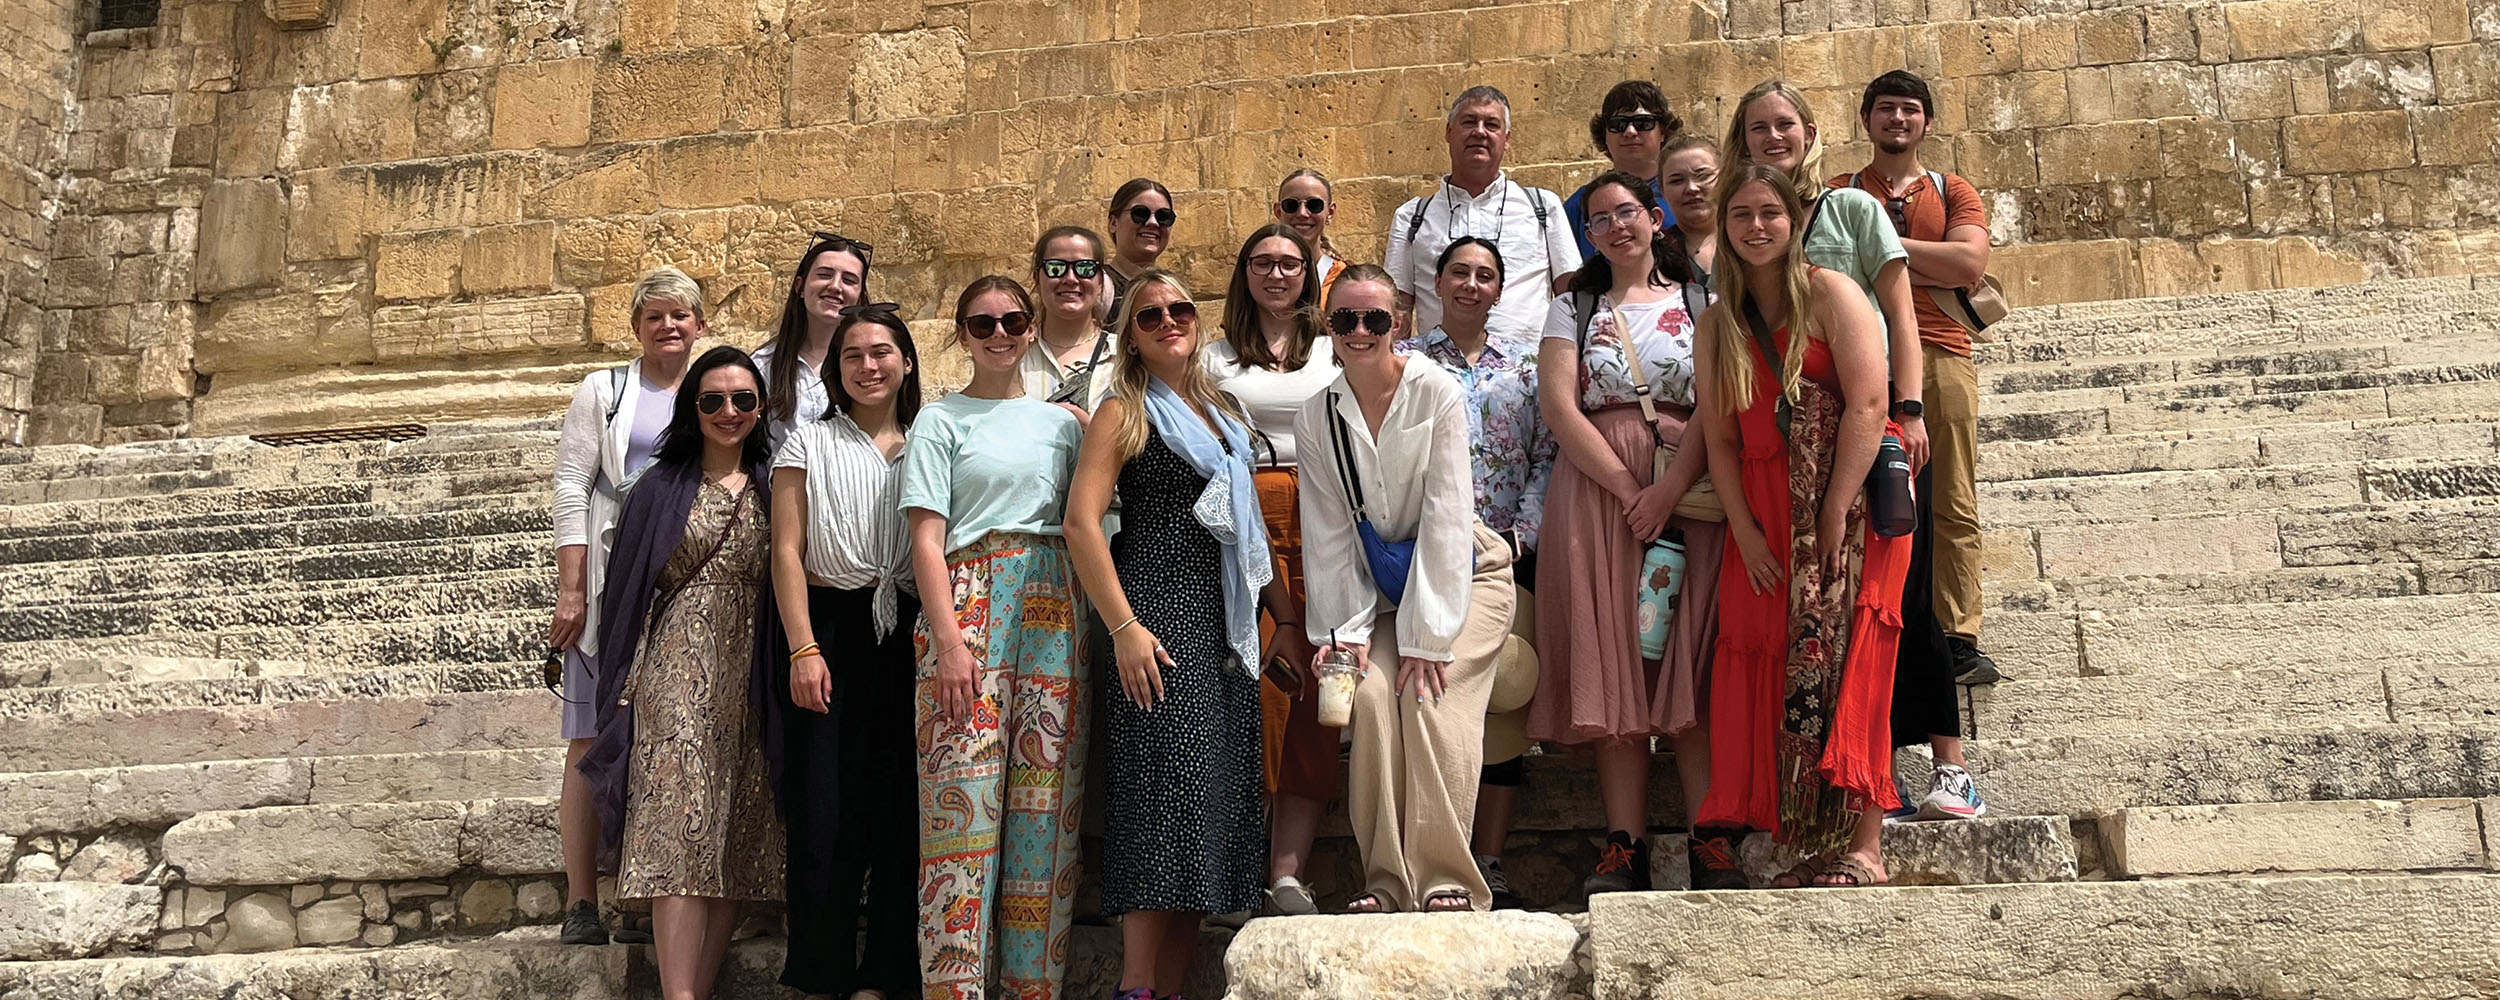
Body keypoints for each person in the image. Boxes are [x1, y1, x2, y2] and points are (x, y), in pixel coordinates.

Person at [1691, 164, 1912, 889]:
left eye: (1771, 213)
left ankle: (1865, 848)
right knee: (1776, 667)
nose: (1757, 227)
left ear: (1794, 221)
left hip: (1846, 503)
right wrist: (1748, 533)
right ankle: (1811, 840)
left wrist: (1832, 510)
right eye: (1741, 215)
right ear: (1723, 226)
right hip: (1762, 511)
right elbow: (1720, 440)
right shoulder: (1716, 325)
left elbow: (1869, 404)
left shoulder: (1831, 292)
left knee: (1852, 663)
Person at [1064, 271, 1271, 1000]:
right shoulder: (1123, 411)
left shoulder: (1222, 411)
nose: (1168, 321)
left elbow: (1245, 526)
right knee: (1161, 806)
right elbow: (1081, 523)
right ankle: (1136, 986)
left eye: (1179, 308)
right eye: (1148, 315)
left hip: (1221, 627)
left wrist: (1277, 620)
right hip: (1158, 617)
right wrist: (1124, 628)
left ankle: (1171, 990)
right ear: (1130, 335)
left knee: (1202, 815)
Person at [1530, 171, 1729, 895]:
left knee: (1690, 657)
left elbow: (1718, 401)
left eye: (1627, 213)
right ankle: (1625, 845)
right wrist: (1629, 491)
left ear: (1655, 218)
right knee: (1614, 654)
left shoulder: (1702, 301)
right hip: (1597, 493)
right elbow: (1559, 407)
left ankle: (1710, 837)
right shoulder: (1572, 307)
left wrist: (1667, 491)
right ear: (1587, 235)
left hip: (1691, 484)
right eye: (1600, 219)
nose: (1616, 227)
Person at [1296, 264, 1517, 914]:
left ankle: (1448, 875)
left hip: (1466, 578)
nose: (1361, 331)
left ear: (1398, 322)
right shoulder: (1317, 416)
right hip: (1382, 591)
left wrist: (1426, 636)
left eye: (1375, 318)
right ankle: (1387, 882)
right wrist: (1344, 636)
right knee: (1366, 696)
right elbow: (1329, 532)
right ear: (1329, 326)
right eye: (1346, 318)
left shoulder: (1435, 391)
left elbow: (1448, 515)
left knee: (1427, 695)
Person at [578, 345, 788, 1000]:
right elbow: (626, 593)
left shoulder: (774, 486)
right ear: (692, 409)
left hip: (750, 678)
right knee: (675, 823)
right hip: (673, 672)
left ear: (761, 408)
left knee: (733, 832)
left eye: (743, 399)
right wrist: (622, 684)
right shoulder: (658, 489)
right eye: (713, 400)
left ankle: (695, 987)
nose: (729, 411)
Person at [902, 276, 1089, 1000]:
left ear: (1031, 327)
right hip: (969, 603)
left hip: (1054, 606)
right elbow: (926, 539)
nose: (1000, 333)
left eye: (1013, 320)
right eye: (983, 324)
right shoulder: (940, 420)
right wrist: (950, 643)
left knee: (1046, 818)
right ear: (963, 334)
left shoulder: (1063, 425)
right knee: (963, 816)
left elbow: (1089, 523)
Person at [1834, 70, 1996, 824]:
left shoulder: (1952, 189)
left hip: (1944, 352)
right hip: (1866, 358)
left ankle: (1958, 631)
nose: (1897, 119)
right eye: (1885, 108)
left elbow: (1969, 265)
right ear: (1867, 119)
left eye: (1910, 109)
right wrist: (1923, 253)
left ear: (1926, 122)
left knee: (1952, 499)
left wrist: (1881, 242)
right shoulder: (1843, 187)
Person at [766, 303, 924, 1000]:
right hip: (830, 626)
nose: (868, 366)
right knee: (825, 804)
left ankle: (887, 973)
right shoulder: (808, 442)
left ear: (906, 362)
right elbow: (787, 551)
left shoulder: (930, 439)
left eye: (881, 352)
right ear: (836, 369)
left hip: (912, 629)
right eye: (853, 355)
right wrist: (802, 647)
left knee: (903, 805)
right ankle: (823, 970)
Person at [1394, 237, 1557, 910]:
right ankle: (1430, 853)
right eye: (1458, 272)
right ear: (1436, 282)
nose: (1470, 284)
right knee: (1430, 696)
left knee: (1504, 702)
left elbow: (1546, 453)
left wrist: (1524, 531)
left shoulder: (1526, 366)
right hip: (1425, 557)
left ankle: (1487, 857)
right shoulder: (1403, 361)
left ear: (1499, 288)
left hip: (1504, 557)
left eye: (1484, 275)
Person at [548, 265, 705, 946]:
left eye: (680, 315)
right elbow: (571, 486)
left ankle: (642, 897)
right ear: (637, 327)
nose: (668, 326)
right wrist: (571, 588)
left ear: (699, 324)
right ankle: (582, 899)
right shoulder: (605, 391)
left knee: (662, 736)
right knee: (589, 737)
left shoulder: (714, 389)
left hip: (679, 589)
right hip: (609, 584)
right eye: (654, 316)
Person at [1202, 224, 1338, 916]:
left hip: (1322, 515)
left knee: (1313, 684)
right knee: (1249, 684)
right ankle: (1234, 865)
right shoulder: (1215, 356)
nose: (1277, 274)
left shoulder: (1336, 346)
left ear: (1309, 273)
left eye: (1290, 262)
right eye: (1262, 262)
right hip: (1243, 516)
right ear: (1244, 272)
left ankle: (1287, 872)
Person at [1724, 80, 1927, 474]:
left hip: (1863, 403)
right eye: (1759, 128)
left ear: (1809, 134)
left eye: (1785, 124)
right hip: (1773, 410)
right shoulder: (1738, 226)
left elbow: (1902, 314)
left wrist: (1910, 409)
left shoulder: (1853, 209)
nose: (1773, 137)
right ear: (1744, 142)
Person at [1385, 85, 1582, 343]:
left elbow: (1570, 296)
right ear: (1448, 132)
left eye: (1491, 124)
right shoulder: (1411, 217)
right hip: (1436, 365)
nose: (1479, 132)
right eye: (1469, 122)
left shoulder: (1543, 207)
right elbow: (1397, 308)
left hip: (1529, 364)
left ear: (1506, 139)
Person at [754, 233, 872, 429]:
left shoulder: (872, 366)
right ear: (800, 287)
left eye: (849, 280)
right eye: (824, 275)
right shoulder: (762, 366)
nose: (835, 286)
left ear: (860, 297)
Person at [1563, 81, 1682, 261]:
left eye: (1643, 123)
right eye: (1618, 124)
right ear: (1605, 134)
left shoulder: (1686, 193)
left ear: (1663, 131)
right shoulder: (1580, 205)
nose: (1630, 132)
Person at [1024, 225, 1119, 416]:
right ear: (1037, 279)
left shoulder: (1124, 357)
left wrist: (1092, 430)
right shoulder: (1015, 354)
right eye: (1055, 268)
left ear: (1100, 281)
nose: (1070, 278)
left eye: (1085, 268)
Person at [1658, 135, 1722, 293]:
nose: (1692, 188)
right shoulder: (1655, 255)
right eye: (1677, 181)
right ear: (1662, 191)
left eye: (1702, 176)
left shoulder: (1749, 240)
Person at [1274, 169, 1348, 303]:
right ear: (1278, 212)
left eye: (1314, 205)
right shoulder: (1261, 275)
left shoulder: (1345, 280)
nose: (1302, 213)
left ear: (1330, 212)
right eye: (1291, 205)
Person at [1105, 178, 1176, 308]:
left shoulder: (1174, 290)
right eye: (1140, 213)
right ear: (1113, 223)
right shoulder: (1095, 287)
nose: (1153, 222)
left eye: (1163, 216)